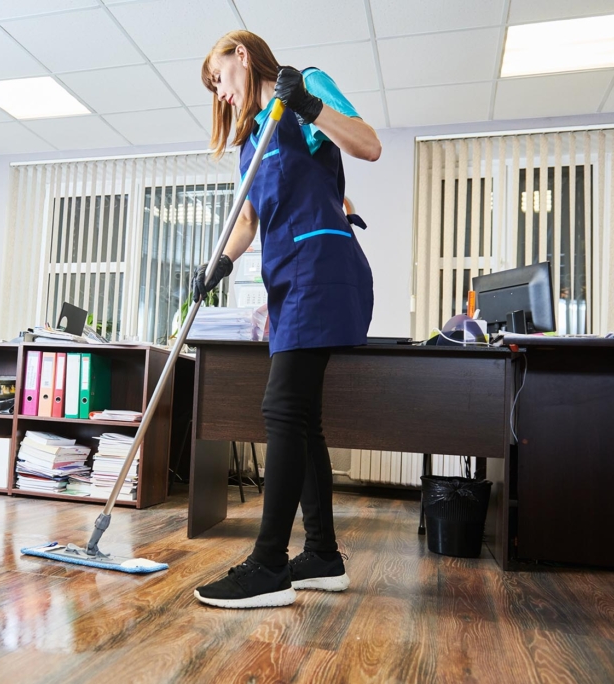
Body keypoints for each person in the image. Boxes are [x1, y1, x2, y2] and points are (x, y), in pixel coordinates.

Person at [192, 30, 382, 609]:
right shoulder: (254, 138)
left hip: (322, 267)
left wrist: (307, 104)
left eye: (219, 79)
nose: (221, 95)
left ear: (241, 57)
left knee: (281, 410)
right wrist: (220, 261)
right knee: (301, 420)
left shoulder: (304, 88)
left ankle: (269, 565)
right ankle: (321, 556)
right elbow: (249, 219)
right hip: (287, 280)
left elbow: (368, 146)